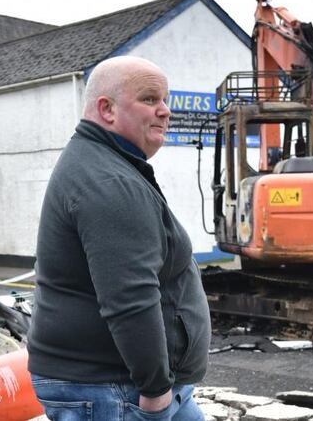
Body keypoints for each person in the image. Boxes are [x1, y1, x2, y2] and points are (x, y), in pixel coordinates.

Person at [27, 56, 211, 421]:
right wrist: (155, 390)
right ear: (106, 109)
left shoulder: (108, 165)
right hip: (111, 388)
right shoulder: (109, 183)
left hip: (125, 384)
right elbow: (130, 297)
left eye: (166, 100)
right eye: (150, 99)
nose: (165, 111)